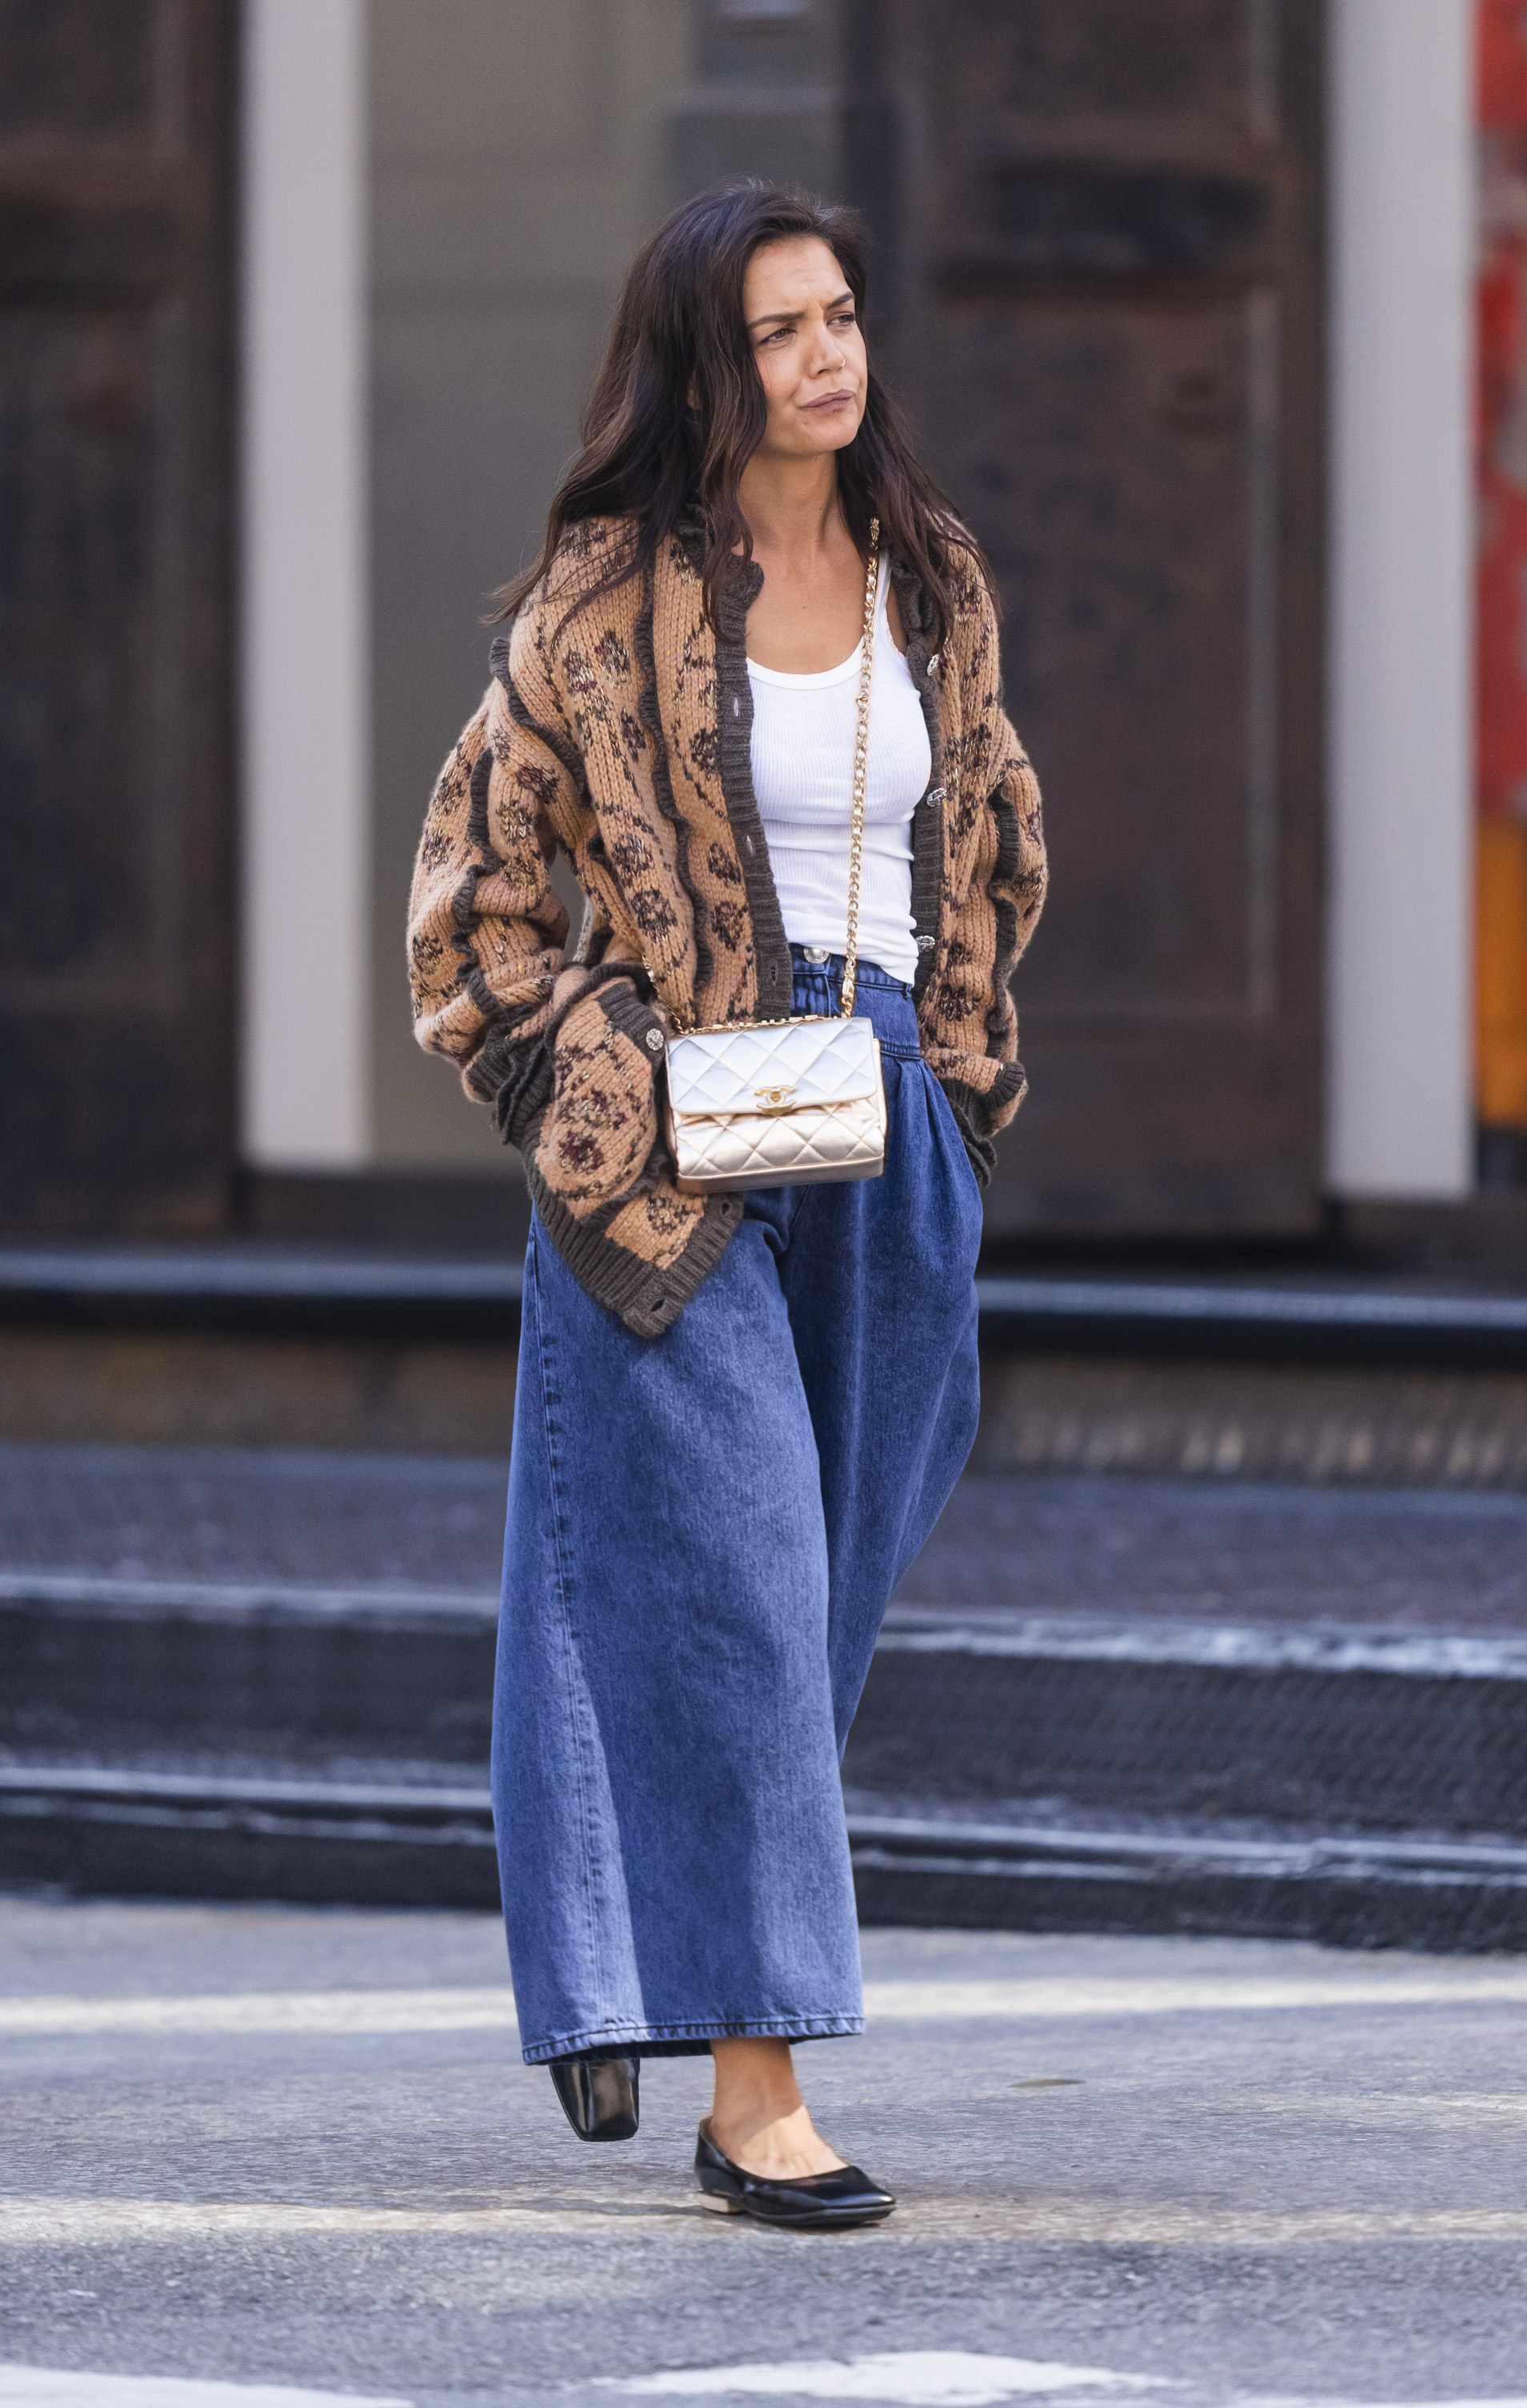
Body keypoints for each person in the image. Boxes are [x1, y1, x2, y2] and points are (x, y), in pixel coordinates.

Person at [407, 180, 1046, 2230]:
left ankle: (613, 1947)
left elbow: (998, 828)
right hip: (679, 1151)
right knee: (747, 1600)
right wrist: (616, 1100)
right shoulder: (600, 600)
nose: (827, 356)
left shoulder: (931, 579)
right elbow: (473, 908)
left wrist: (953, 1062)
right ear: (708, 363)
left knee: (799, 1602)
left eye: (842, 314)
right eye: (780, 330)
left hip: (885, 1133)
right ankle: (753, 2093)